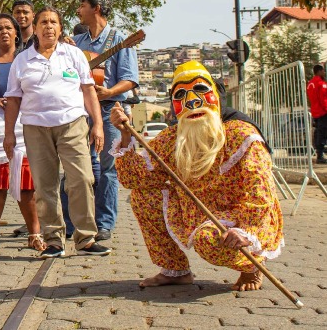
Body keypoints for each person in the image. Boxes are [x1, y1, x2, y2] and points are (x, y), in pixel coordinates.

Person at [109, 61, 284, 291]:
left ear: (216, 95)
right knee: (144, 196)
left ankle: (251, 265)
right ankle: (174, 270)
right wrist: (124, 135)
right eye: (181, 95)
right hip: (194, 211)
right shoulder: (173, 138)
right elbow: (135, 179)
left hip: (240, 216)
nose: (191, 101)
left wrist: (246, 231)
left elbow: (261, 192)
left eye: (200, 90)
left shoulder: (242, 134)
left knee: (209, 241)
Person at [3, 7, 111, 258]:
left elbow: (88, 90)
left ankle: (85, 238)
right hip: (35, 128)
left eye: (53, 22)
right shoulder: (22, 60)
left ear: (60, 28)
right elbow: (13, 99)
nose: (48, 26)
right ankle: (53, 240)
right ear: (35, 27)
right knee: (45, 185)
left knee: (82, 179)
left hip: (72, 124)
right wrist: (10, 133)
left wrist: (98, 124)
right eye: (43, 22)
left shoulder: (73, 54)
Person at [73, 0, 139, 242]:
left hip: (110, 109)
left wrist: (108, 91)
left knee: (108, 167)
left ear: (96, 8)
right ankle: (79, 220)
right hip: (80, 110)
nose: (78, 10)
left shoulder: (120, 40)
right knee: (80, 166)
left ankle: (105, 223)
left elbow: (130, 80)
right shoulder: (77, 42)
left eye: (82, 6)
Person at [0, 14, 45, 252]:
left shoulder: (27, 60)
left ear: (17, 33)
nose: (4, 31)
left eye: (9, 27)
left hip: (25, 128)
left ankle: (35, 234)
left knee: (26, 183)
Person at [307, 64, 327, 164]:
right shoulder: (321, 83)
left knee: (319, 133)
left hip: (315, 112)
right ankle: (320, 156)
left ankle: (320, 153)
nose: (324, 72)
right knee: (322, 134)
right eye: (323, 71)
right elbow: (323, 99)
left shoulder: (310, 83)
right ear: (319, 71)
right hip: (323, 111)